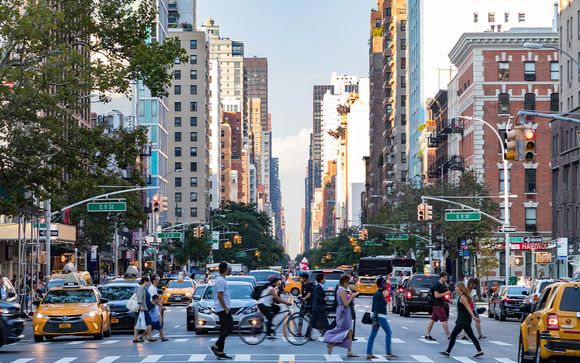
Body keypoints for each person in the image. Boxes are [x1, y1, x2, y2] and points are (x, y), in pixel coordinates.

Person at [441, 282, 484, 358]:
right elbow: (458, 304)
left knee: (453, 335)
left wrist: (474, 317)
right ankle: (480, 351)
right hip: (464, 319)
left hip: (463, 320)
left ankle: (447, 352)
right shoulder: (460, 296)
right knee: (472, 336)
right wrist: (450, 301)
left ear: (460, 288)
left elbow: (468, 308)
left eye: (455, 287)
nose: (455, 288)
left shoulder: (463, 297)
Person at [323, 275, 358, 358]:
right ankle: (331, 343)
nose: (348, 284)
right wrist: (352, 296)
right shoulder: (341, 290)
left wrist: (351, 295)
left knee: (349, 332)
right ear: (344, 282)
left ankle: (349, 351)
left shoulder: (343, 290)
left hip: (345, 311)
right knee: (344, 331)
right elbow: (346, 303)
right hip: (343, 312)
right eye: (348, 282)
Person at [367, 277, 397, 360]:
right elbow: (376, 307)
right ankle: (388, 352)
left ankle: (369, 353)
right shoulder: (378, 294)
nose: (386, 284)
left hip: (378, 316)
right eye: (384, 283)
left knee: (373, 335)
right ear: (381, 285)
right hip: (380, 317)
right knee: (388, 333)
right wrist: (376, 320)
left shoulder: (380, 293)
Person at [210, 262, 233, 360]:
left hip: (222, 308)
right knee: (229, 328)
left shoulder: (221, 279)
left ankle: (220, 351)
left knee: (223, 329)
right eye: (228, 268)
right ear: (225, 269)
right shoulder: (221, 281)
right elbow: (220, 295)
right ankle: (215, 345)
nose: (229, 270)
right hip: (223, 309)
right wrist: (225, 308)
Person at [425, 271, 451, 341]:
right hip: (437, 304)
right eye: (445, 278)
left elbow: (443, 296)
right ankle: (449, 335)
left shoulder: (443, 285)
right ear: (441, 277)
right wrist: (446, 293)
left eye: (447, 278)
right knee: (444, 319)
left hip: (440, 304)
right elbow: (436, 295)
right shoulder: (437, 285)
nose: (446, 280)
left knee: (432, 320)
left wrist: (449, 300)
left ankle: (427, 334)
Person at [133, 276, 156, 343]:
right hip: (143, 308)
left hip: (144, 307)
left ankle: (135, 337)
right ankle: (149, 337)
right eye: (148, 281)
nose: (148, 283)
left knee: (137, 323)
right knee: (148, 323)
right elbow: (140, 298)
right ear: (145, 281)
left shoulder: (144, 288)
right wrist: (141, 306)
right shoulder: (141, 288)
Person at [307, 273, 329, 338]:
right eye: (324, 278)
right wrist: (324, 299)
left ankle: (307, 335)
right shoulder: (318, 287)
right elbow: (317, 297)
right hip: (319, 308)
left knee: (312, 322)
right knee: (325, 322)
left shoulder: (319, 286)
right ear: (321, 280)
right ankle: (327, 334)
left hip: (317, 308)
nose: (325, 280)